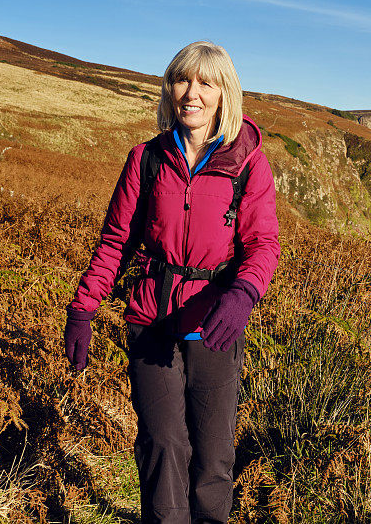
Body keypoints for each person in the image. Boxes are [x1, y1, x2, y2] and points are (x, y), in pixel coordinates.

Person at [63, 41, 280, 523]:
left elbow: (264, 245)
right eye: (183, 80)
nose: (192, 93)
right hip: (150, 319)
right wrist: (83, 308)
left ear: (225, 94)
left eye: (206, 82)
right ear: (170, 88)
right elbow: (116, 241)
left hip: (213, 324)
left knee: (214, 454)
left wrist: (243, 294)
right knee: (163, 445)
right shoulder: (146, 159)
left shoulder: (247, 162)